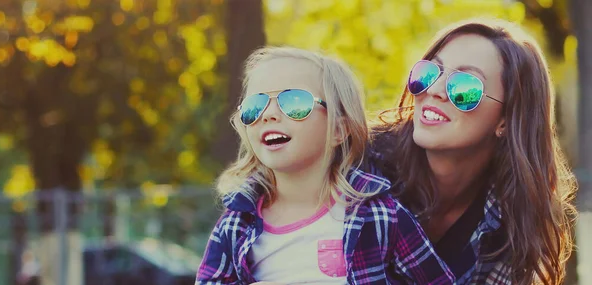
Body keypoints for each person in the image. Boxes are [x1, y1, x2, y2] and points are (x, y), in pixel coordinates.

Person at [195, 46, 455, 284]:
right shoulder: (236, 225)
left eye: (294, 103)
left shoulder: (379, 215)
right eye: (254, 106)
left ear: (339, 130)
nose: (269, 114)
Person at [368, 19, 577, 285]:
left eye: (465, 87)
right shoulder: (355, 171)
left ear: (505, 120)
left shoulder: (513, 220)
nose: (434, 91)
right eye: (429, 74)